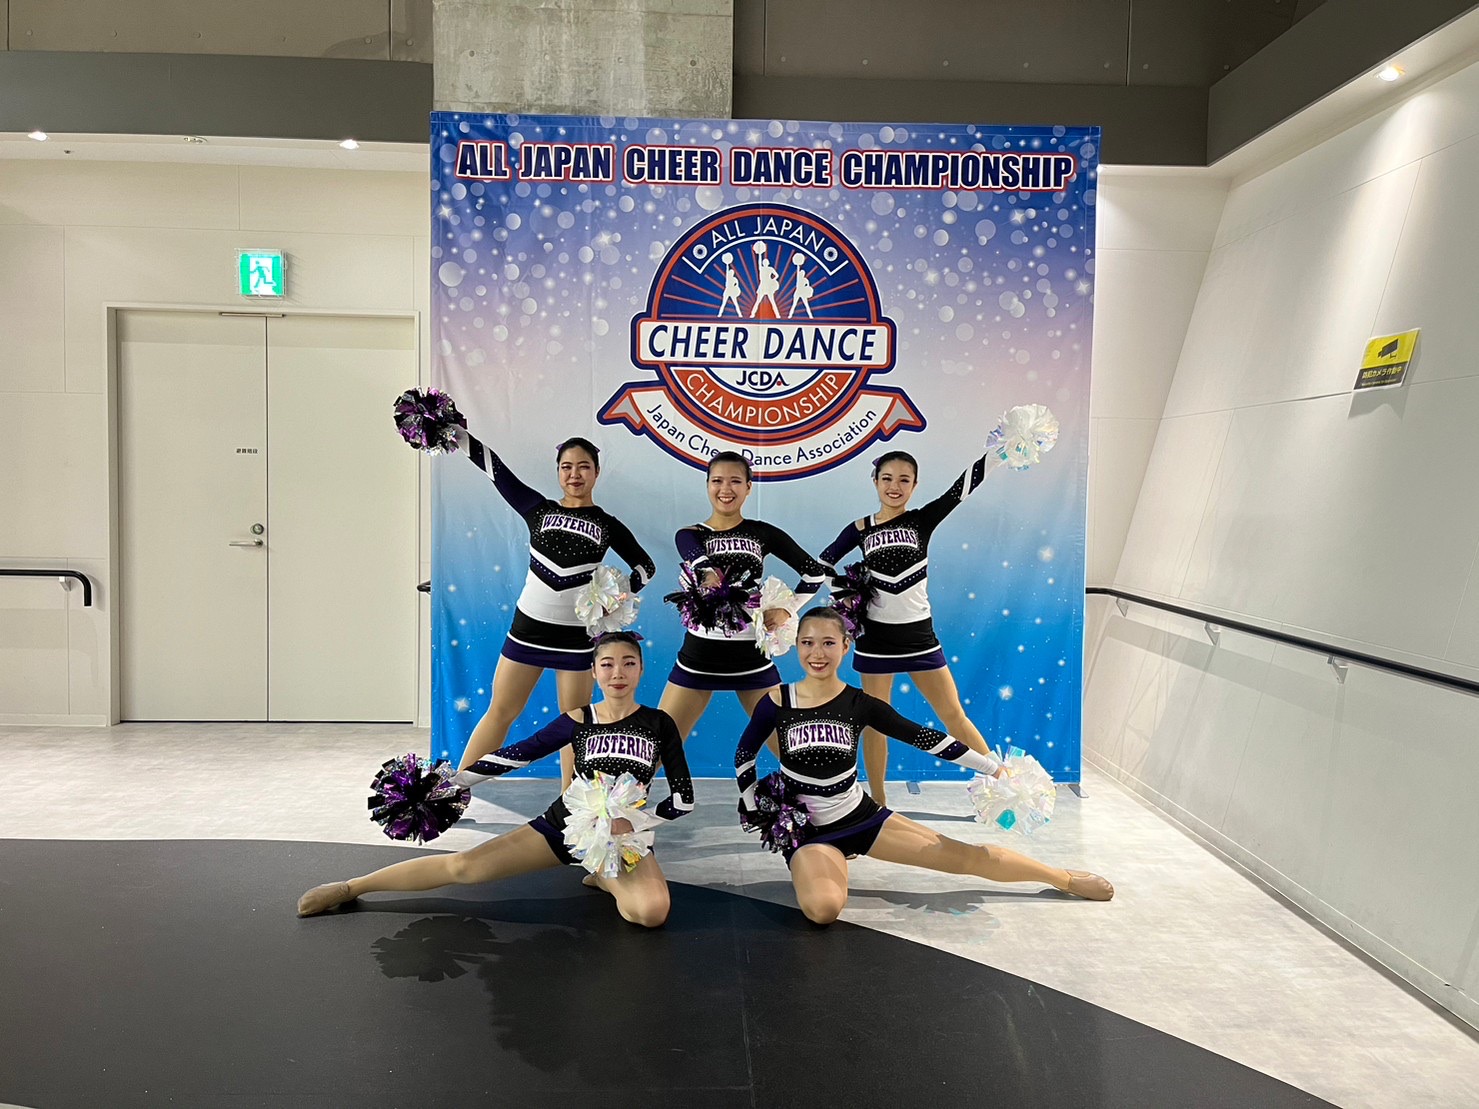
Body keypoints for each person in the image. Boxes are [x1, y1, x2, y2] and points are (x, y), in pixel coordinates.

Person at [733, 608, 1112, 925]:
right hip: (807, 829)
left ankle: (1061, 877)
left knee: (965, 857)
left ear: (846, 646)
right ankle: (830, 860)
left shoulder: (860, 703)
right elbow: (744, 754)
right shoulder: (777, 700)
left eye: (828, 643)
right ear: (796, 646)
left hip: (860, 818)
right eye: (808, 642)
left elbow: (925, 738)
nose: (817, 653)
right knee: (823, 909)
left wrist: (991, 768)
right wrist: (753, 805)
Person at [297, 632, 691, 927]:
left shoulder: (659, 723)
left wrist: (635, 823)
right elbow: (516, 755)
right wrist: (452, 783)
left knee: (651, 914)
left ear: (641, 669)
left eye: (628, 663)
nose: (617, 672)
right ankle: (353, 887)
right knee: (464, 867)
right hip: (564, 827)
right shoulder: (578, 719)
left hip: (623, 839)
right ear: (594, 671)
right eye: (607, 664)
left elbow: (683, 798)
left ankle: (605, 874)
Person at [455, 431, 657, 789]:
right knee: (501, 711)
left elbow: (645, 567)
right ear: (558, 471)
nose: (574, 474)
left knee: (574, 724)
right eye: (566, 467)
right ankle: (453, 791)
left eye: (583, 467)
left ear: (596, 472)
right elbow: (494, 468)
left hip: (575, 639)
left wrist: (615, 596)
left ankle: (572, 805)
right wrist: (450, 429)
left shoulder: (607, 524)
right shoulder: (538, 508)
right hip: (528, 631)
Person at [820, 448, 1007, 807]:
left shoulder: (922, 519)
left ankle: (1005, 787)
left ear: (915, 485)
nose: (895, 486)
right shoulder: (860, 528)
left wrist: (999, 452)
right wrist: (844, 591)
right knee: (875, 723)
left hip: (919, 637)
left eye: (904, 480)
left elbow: (961, 488)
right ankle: (877, 802)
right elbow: (822, 562)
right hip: (875, 641)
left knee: (953, 714)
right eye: (887, 478)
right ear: (875, 481)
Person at [658, 451, 829, 743]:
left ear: (748, 487)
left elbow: (814, 574)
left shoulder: (763, 533)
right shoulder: (689, 534)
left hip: (751, 653)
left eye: (735, 481)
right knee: (661, 743)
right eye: (717, 481)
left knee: (789, 746)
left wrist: (787, 610)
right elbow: (696, 559)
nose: (725, 489)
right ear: (707, 485)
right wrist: (707, 572)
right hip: (700, 654)